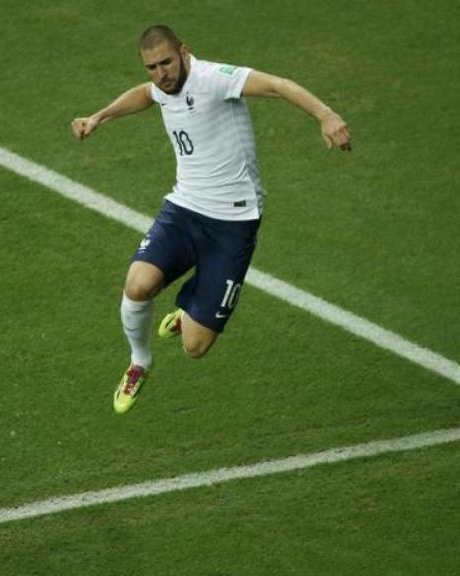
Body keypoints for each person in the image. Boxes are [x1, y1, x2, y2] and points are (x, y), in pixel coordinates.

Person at [71, 25, 351, 414]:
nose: (161, 74)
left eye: (166, 62)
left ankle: (190, 313)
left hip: (233, 224)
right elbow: (146, 94)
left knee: (195, 347)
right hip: (184, 209)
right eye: (152, 67)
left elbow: (277, 85)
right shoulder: (162, 86)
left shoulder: (214, 79)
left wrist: (326, 115)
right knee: (137, 285)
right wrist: (99, 117)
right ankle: (140, 363)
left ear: (184, 52)